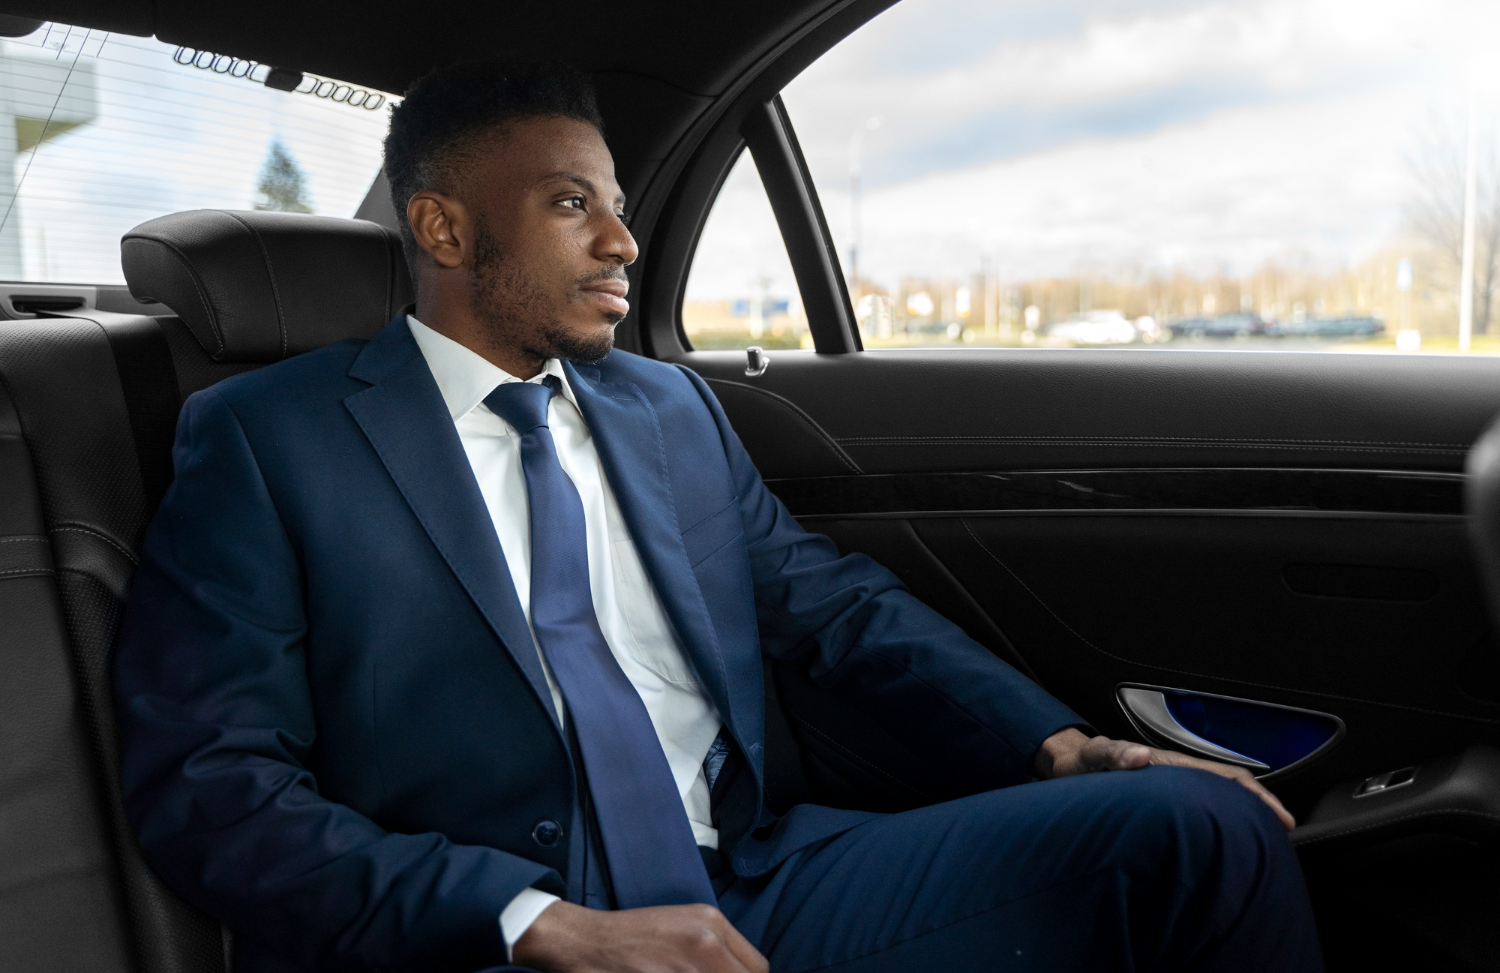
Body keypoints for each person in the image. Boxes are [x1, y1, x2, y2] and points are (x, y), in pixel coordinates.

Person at [114, 62, 1322, 973]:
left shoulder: (667, 408)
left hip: (750, 876)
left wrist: (1053, 743)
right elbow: (210, 781)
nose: (622, 241)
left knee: (1205, 826)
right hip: (506, 929)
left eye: (618, 204)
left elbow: (837, 610)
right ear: (445, 229)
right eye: (572, 203)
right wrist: (539, 924)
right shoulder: (270, 440)